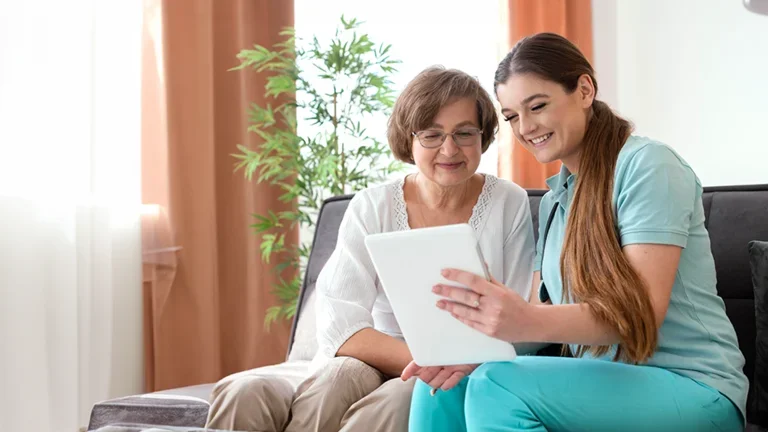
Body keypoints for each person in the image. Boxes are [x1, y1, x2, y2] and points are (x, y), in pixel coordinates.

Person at [407, 33, 748, 432]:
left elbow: (639, 314)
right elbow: (541, 316)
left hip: (694, 389)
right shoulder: (554, 203)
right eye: (513, 116)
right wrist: (475, 351)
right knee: (443, 383)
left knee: (497, 383)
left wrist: (523, 319)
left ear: (584, 90)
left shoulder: (648, 166)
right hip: (604, 389)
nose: (526, 127)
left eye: (537, 106)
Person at [205, 66, 537, 432]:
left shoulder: (509, 201)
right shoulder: (373, 205)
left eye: (464, 133)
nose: (449, 148)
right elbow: (341, 323)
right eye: (431, 135)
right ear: (409, 140)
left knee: (401, 400)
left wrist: (439, 365)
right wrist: (420, 359)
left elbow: (517, 311)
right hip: (373, 354)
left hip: (461, 365)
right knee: (325, 382)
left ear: (483, 136)